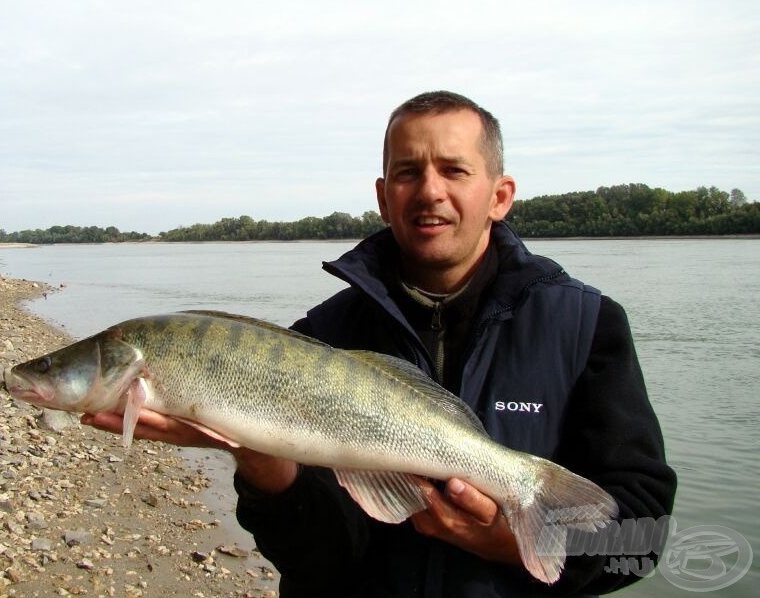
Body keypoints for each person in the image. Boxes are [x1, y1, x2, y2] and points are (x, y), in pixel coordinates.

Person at [83, 91, 676, 597]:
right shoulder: (317, 342)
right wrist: (264, 465)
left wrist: (511, 544)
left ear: (499, 195)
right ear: (383, 194)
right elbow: (321, 563)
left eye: (454, 170)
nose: (430, 191)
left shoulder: (588, 324)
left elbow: (642, 539)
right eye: (408, 172)